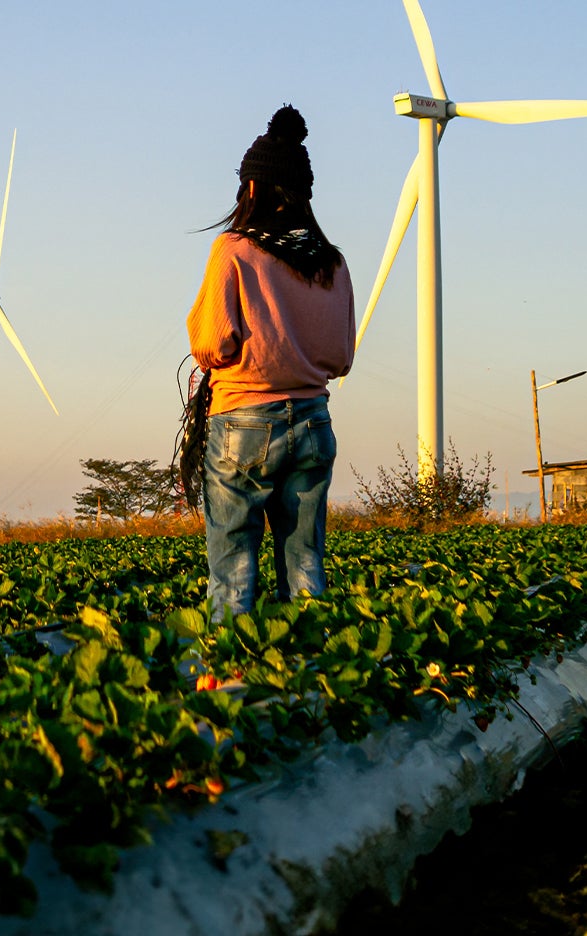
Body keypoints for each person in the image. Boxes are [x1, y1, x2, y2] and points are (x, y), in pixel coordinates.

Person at [186, 105, 355, 618]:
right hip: (312, 422)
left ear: (252, 189)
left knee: (233, 569)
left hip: (244, 424)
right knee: (305, 562)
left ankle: (233, 686)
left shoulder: (234, 250)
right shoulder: (331, 260)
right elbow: (340, 357)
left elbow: (212, 344)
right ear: (303, 193)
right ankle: (307, 680)